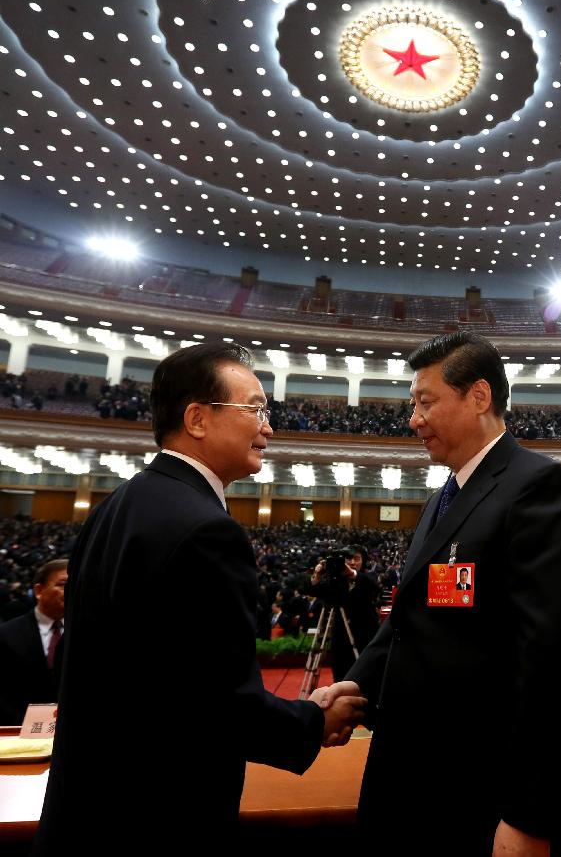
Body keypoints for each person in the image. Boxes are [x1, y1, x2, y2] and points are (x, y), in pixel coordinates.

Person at [33, 342, 365, 856]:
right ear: (197, 418)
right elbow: (216, 702)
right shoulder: (206, 528)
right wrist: (314, 722)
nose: (268, 427)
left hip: (90, 807)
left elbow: (166, 676)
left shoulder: (118, 505)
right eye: (254, 409)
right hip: (159, 820)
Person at [321, 331, 561, 856]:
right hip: (410, 778)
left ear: (479, 397)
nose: (413, 419)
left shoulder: (541, 488)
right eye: (412, 405)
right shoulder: (440, 499)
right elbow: (409, 621)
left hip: (482, 791)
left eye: (426, 402)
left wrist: (530, 818)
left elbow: (551, 664)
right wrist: (351, 689)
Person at [0, 559, 68, 725]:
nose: (72, 591)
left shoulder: (90, 633)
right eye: (63, 584)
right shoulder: (6, 634)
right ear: (39, 590)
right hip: (19, 734)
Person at [309, 546, 380, 681]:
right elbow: (317, 592)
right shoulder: (336, 580)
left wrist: (352, 573)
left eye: (357, 559)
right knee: (341, 672)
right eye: (349, 559)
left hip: (365, 633)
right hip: (341, 634)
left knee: (365, 673)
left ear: (363, 560)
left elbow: (374, 589)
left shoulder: (368, 576)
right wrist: (317, 575)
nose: (352, 562)